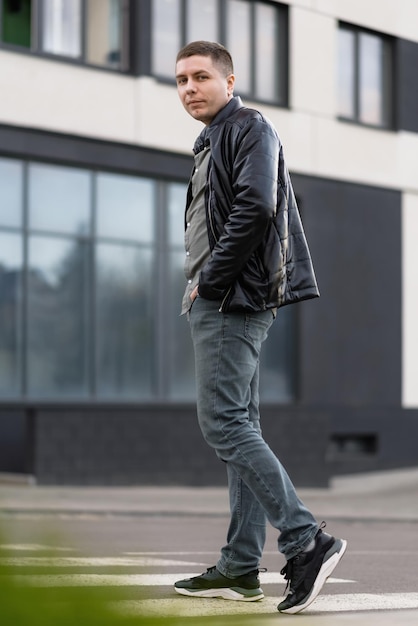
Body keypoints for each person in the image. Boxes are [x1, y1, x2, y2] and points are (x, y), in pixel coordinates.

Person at [173, 40, 347, 615]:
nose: (190, 88)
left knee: (222, 423)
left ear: (229, 80)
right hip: (228, 298)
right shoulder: (213, 140)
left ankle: (305, 541)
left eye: (201, 77)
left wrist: (211, 282)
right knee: (240, 426)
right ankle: (241, 566)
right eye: (181, 80)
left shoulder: (247, 126)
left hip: (230, 300)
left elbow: (256, 205)